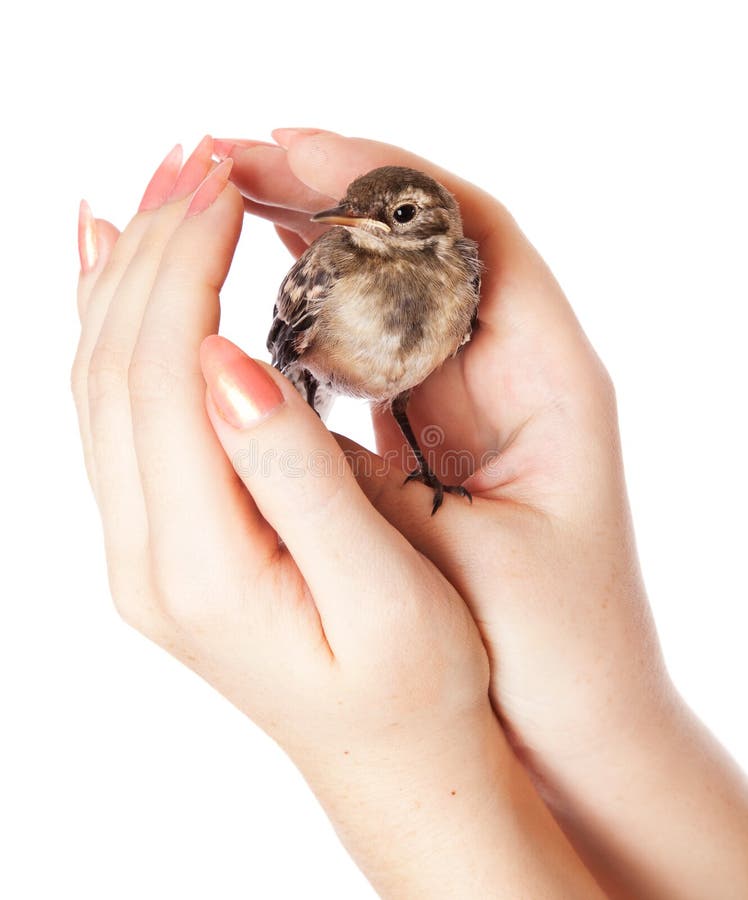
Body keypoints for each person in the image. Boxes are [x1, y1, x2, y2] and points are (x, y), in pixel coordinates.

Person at [71, 130, 748, 898]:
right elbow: (289, 346)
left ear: (429, 222)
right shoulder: (333, 268)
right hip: (320, 373)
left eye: (393, 214)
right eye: (359, 216)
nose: (363, 225)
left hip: (404, 396)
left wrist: (415, 762)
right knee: (295, 408)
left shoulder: (458, 274)